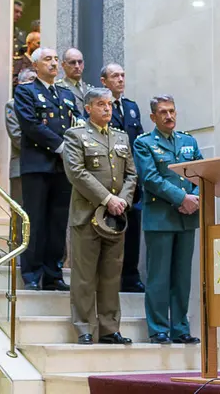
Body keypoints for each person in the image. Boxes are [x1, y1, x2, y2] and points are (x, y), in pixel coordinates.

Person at [63, 88, 137, 345]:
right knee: (84, 275)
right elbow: (76, 172)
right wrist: (108, 199)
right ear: (88, 108)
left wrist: (123, 201)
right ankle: (84, 326)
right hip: (87, 215)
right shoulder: (76, 135)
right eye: (100, 104)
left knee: (110, 274)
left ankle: (109, 328)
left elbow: (131, 174)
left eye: (109, 104)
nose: (107, 108)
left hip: (115, 218)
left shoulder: (120, 137)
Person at [133, 94, 202, 345]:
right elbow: (150, 179)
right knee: (159, 277)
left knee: (182, 277)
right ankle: (158, 328)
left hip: (187, 219)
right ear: (153, 117)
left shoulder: (188, 140)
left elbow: (201, 172)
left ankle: (180, 327)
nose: (169, 116)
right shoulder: (144, 143)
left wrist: (194, 198)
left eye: (172, 111)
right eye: (163, 112)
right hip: (160, 218)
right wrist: (182, 198)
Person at [14, 47, 82, 291]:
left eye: (55, 59)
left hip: (63, 167)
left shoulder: (65, 94)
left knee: (57, 222)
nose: (53, 64)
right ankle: (31, 273)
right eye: (47, 59)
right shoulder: (26, 91)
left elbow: (76, 123)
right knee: (35, 220)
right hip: (38, 166)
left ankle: (53, 274)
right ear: (35, 66)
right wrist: (60, 145)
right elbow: (31, 125)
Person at [100, 63, 146, 292]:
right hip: (110, 180)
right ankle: (110, 277)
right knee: (109, 231)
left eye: (122, 75)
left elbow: (137, 142)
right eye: (114, 76)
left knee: (133, 230)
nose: (120, 79)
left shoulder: (130, 107)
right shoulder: (101, 108)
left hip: (132, 179)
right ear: (104, 81)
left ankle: (130, 275)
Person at [5, 68, 37, 205]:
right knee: (19, 214)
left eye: (37, 81)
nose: (34, 84)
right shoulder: (13, 105)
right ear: (20, 83)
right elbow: (17, 137)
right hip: (21, 165)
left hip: (43, 167)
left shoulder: (43, 105)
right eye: (30, 80)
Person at [55, 48, 92, 113]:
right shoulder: (58, 88)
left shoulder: (90, 89)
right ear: (63, 65)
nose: (77, 66)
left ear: (83, 64)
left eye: (80, 62)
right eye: (72, 62)